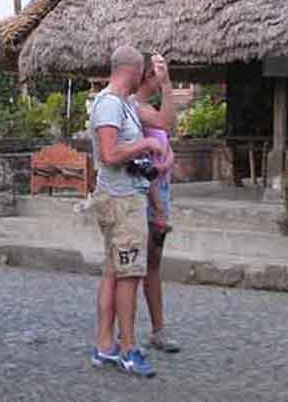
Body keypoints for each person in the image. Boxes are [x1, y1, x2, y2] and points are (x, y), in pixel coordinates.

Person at [88, 43, 166, 378]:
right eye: (142, 72)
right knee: (130, 275)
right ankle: (128, 348)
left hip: (121, 197)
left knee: (112, 272)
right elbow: (109, 153)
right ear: (133, 70)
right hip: (121, 203)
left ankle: (104, 345)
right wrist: (146, 145)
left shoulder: (121, 105)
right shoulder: (109, 104)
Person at [133, 53, 180, 354]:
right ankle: (130, 333)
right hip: (149, 193)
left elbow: (166, 139)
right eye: (158, 75)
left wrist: (170, 157)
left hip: (161, 188)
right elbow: (168, 121)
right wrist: (168, 86)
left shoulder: (147, 108)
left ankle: (157, 328)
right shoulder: (137, 109)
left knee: (153, 265)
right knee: (143, 265)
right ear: (149, 76)